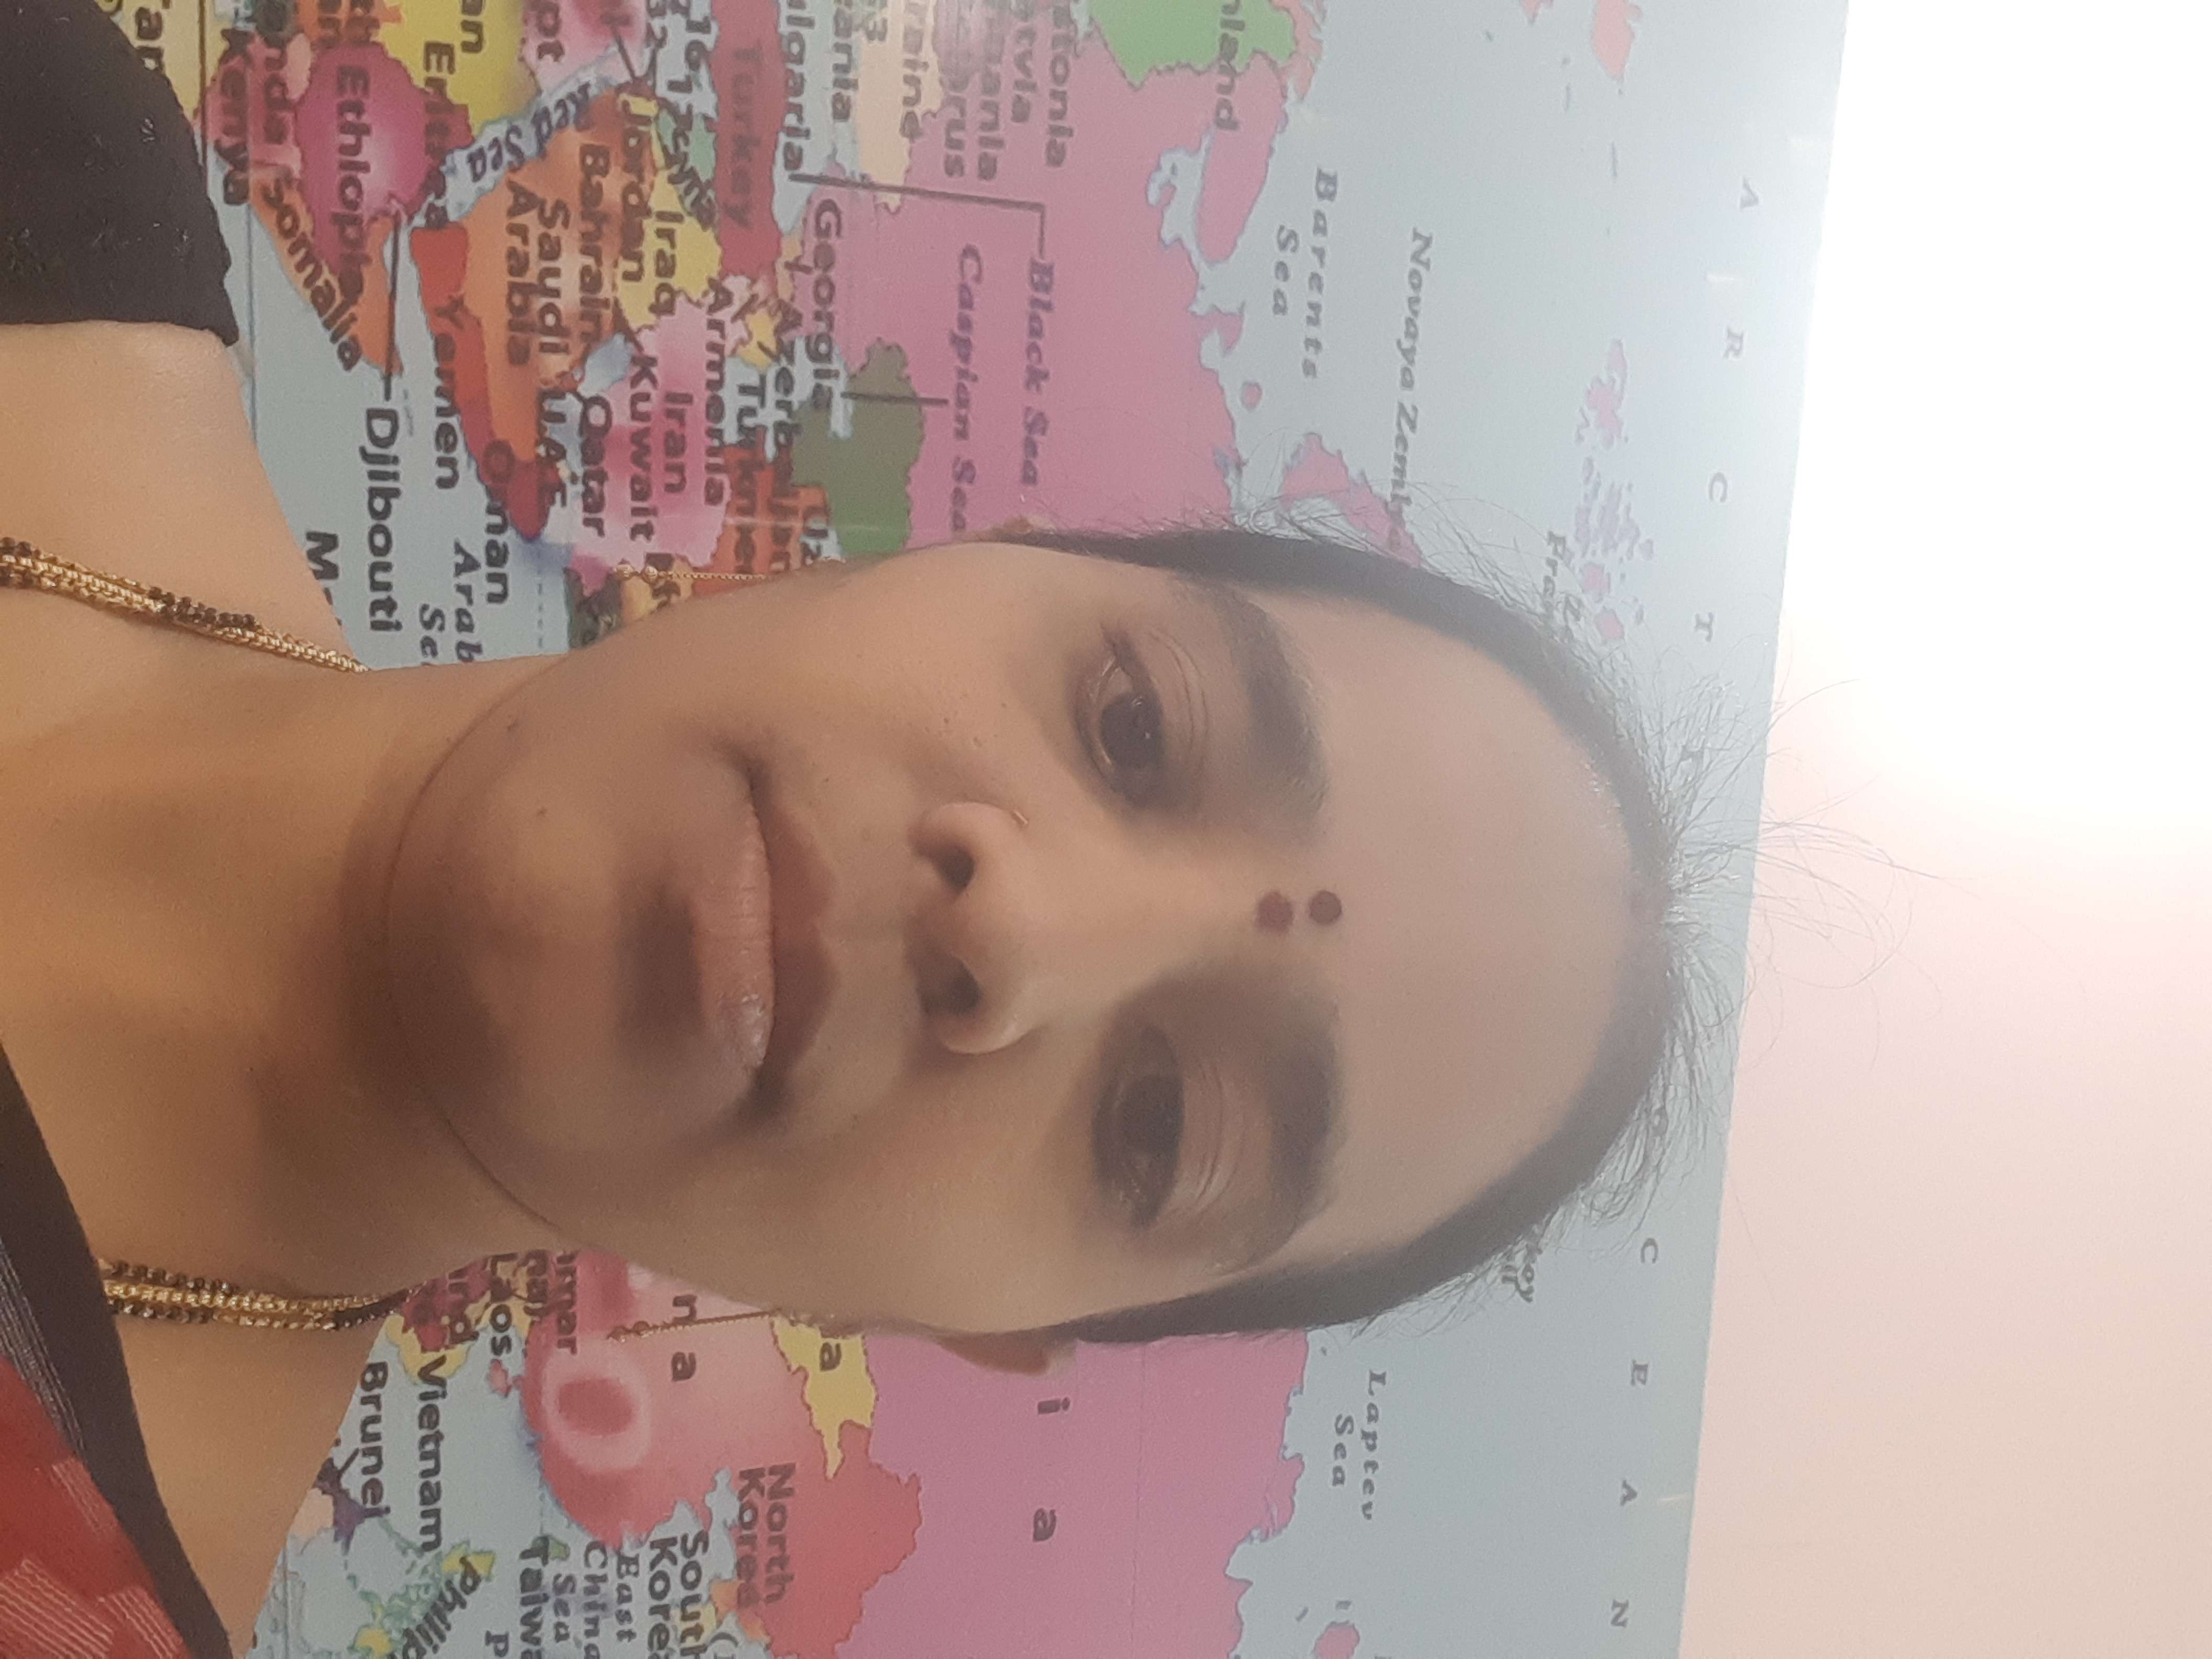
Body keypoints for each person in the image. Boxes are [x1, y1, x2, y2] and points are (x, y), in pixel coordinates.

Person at [0, 0, 1701, 1650]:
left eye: (1158, 1126)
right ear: (981, 557)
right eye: (1135, 725)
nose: (1019, 930)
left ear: (991, 1325)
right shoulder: (41, 146)